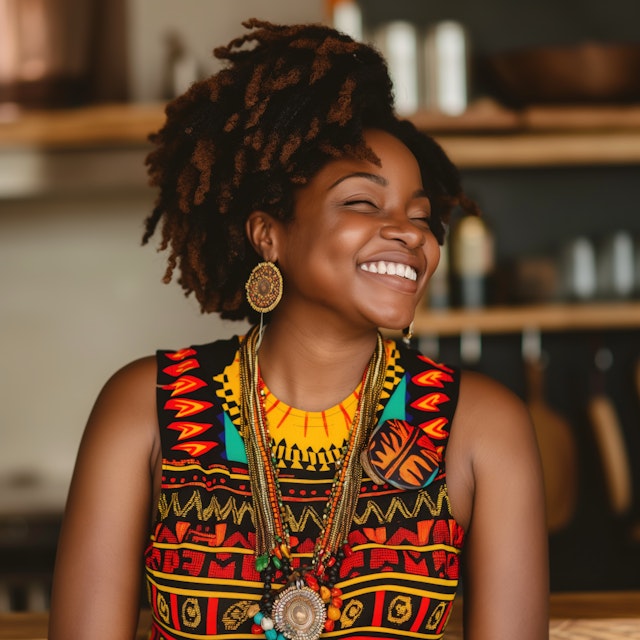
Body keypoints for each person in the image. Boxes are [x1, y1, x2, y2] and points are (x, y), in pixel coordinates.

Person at [48, 18, 549, 640]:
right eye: (362, 203)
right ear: (270, 235)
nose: (410, 233)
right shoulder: (145, 407)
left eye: (420, 216)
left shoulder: (480, 426)